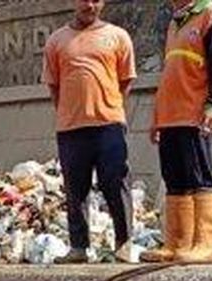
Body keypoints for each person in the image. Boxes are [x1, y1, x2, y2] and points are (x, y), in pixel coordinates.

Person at [42, 0, 138, 264]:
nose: (89, 5)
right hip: (71, 128)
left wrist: (108, 107)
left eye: (95, 0)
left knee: (115, 183)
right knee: (75, 189)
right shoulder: (56, 41)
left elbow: (125, 80)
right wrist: (72, 111)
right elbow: (54, 86)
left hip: (109, 125)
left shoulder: (117, 37)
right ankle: (79, 247)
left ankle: (124, 242)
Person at [142, 0, 212, 263]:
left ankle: (204, 244)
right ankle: (177, 243)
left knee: (199, 177)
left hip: (193, 114)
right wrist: (157, 116)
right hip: (169, 115)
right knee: (174, 179)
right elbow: (170, 74)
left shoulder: (208, 13)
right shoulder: (174, 22)